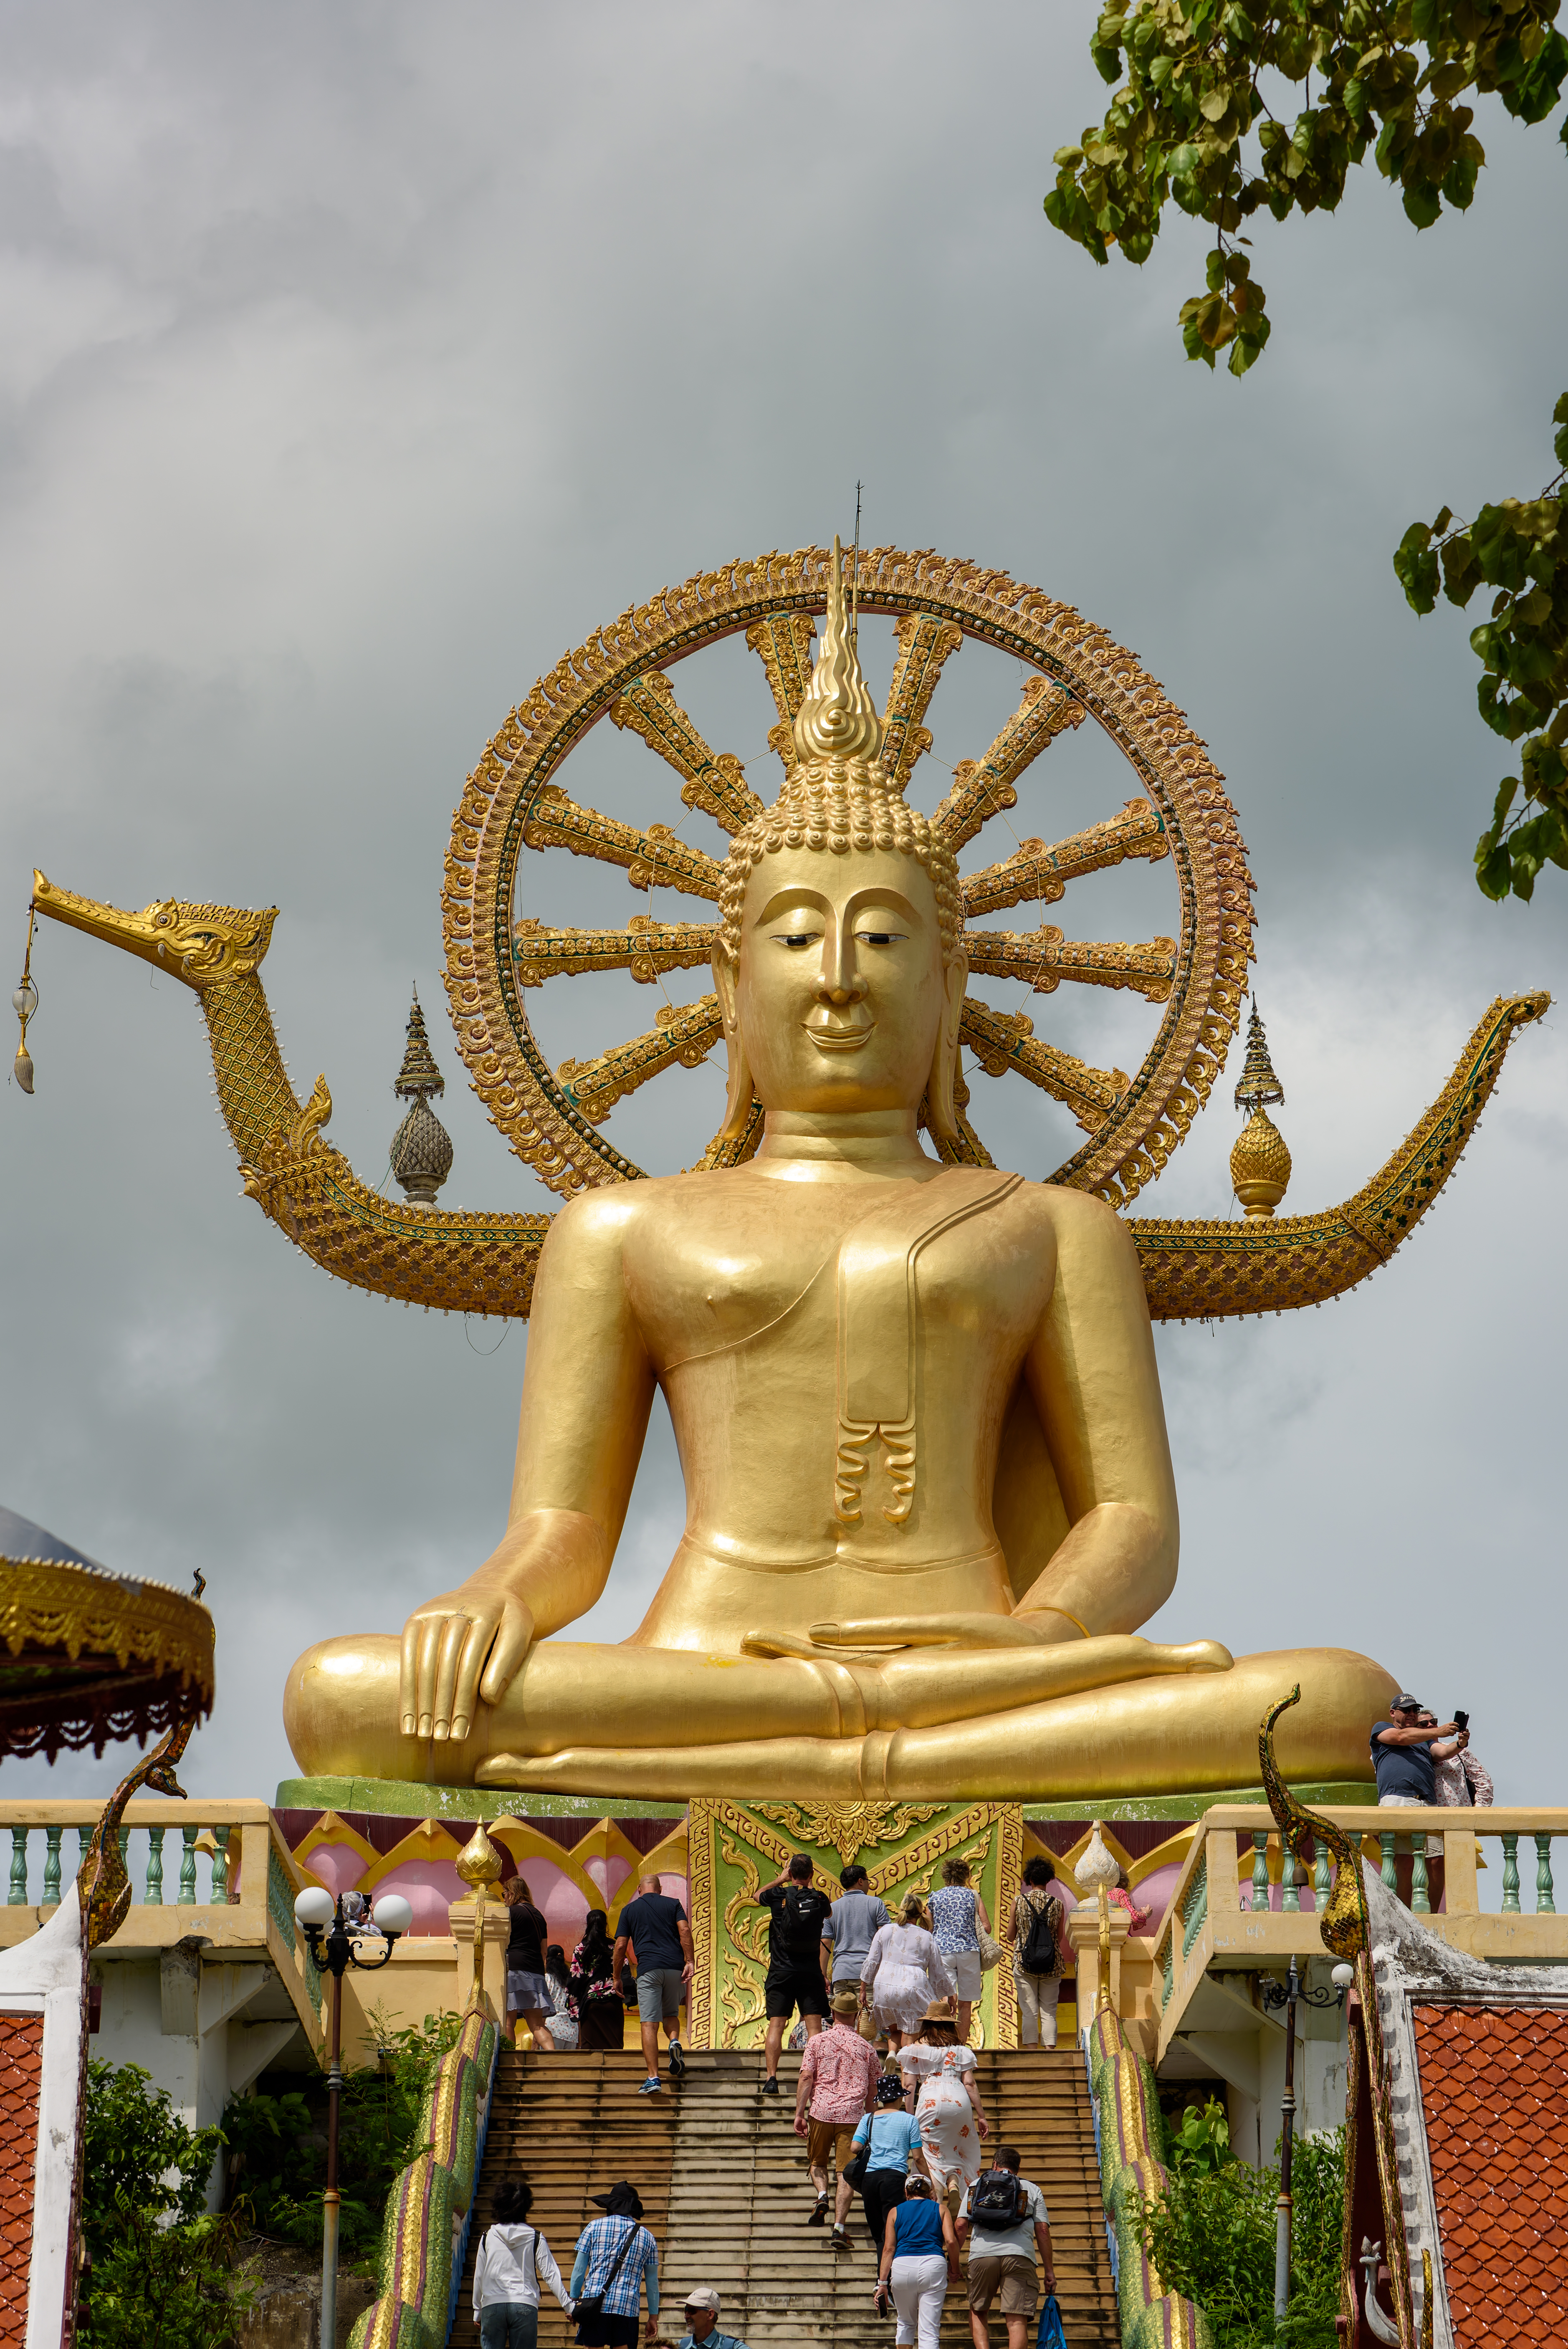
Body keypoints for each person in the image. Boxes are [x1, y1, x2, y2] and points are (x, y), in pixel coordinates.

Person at [792, 1985, 883, 2248]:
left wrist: (800, 2113)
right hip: (852, 2117)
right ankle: (839, 2228)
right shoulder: (867, 2048)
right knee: (845, 2173)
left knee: (817, 2162)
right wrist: (871, 2120)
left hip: (821, 2112)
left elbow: (807, 2077)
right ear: (856, 2015)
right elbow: (873, 2089)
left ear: (832, 2011)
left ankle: (822, 2195)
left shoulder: (816, 2041)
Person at [956, 2144, 1055, 2349]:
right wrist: (1050, 2272)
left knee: (978, 2311)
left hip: (982, 2255)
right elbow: (1043, 2231)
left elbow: (960, 2225)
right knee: (1017, 2319)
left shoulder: (975, 2185)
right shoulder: (1031, 2189)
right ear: (1018, 2169)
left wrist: (953, 2263)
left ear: (994, 2165)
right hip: (1020, 2256)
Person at [754, 1853, 833, 2093]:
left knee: (777, 2025)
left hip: (781, 1971)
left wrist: (780, 1880)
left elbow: (757, 1896)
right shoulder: (820, 1899)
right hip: (810, 1972)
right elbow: (828, 1915)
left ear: (790, 1873)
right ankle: (814, 2076)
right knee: (814, 2028)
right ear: (811, 1875)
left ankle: (771, 2079)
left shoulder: (779, 1896)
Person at [613, 1873, 694, 2094]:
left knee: (649, 2023)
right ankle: (675, 2041)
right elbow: (685, 1931)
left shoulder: (629, 1910)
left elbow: (621, 1946)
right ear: (659, 1888)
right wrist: (690, 1961)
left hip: (649, 1969)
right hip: (675, 1969)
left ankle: (653, 2078)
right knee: (671, 2015)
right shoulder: (673, 1904)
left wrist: (617, 1977)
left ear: (640, 1889)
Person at [472, 2177, 576, 2346]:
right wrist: (569, 2307)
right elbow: (551, 2275)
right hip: (525, 2304)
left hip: (492, 2305)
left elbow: (479, 2276)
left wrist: (477, 2310)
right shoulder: (535, 2238)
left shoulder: (487, 2237)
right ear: (526, 2207)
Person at [900, 2007, 989, 2198]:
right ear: (950, 2025)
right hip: (960, 2102)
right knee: (960, 2150)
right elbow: (970, 2083)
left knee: (931, 2154)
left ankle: (937, 2199)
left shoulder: (915, 2050)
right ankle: (955, 2183)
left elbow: (908, 2086)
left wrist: (909, 2116)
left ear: (925, 2024)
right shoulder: (961, 2051)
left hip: (931, 2101)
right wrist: (981, 2117)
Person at [568, 2181, 660, 2349]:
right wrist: (653, 2317)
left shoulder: (593, 2227)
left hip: (594, 2307)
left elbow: (580, 2270)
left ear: (611, 2206)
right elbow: (653, 2282)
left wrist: (573, 2303)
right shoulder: (648, 2237)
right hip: (627, 2309)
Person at [875, 2169, 960, 2349]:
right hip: (933, 2265)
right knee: (929, 2330)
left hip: (902, 2267)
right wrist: (955, 2268)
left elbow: (889, 2248)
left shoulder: (895, 2212)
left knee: (905, 2323)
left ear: (906, 2193)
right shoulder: (941, 2209)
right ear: (931, 2193)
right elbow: (951, 2241)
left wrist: (882, 2283)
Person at [862, 1893, 955, 2056]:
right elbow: (938, 1971)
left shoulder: (886, 1930)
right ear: (920, 1914)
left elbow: (872, 1961)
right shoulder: (927, 1936)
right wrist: (950, 1996)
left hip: (884, 1986)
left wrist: (863, 1989)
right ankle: (906, 2061)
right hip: (913, 1986)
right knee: (911, 2029)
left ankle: (892, 2054)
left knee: (895, 2028)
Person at [849, 2069, 928, 2255]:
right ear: (900, 2098)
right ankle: (890, 2278)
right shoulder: (909, 2120)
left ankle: (881, 2279)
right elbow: (918, 2157)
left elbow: (854, 2147)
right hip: (895, 2178)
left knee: (878, 2234)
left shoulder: (867, 2119)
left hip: (870, 2179)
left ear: (882, 2099)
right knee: (893, 2231)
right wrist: (928, 2182)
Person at [927, 1857, 994, 2045]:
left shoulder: (934, 1897)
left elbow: (929, 1929)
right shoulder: (973, 1896)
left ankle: (944, 2042)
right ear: (967, 1876)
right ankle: (961, 2045)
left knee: (945, 1998)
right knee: (966, 2003)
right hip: (969, 1951)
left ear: (945, 1877)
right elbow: (987, 1927)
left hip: (942, 1952)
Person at [822, 1864, 890, 2035]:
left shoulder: (832, 1909)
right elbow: (886, 1938)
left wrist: (823, 1976)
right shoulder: (876, 1904)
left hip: (841, 1973)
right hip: (869, 1975)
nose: (868, 1884)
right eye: (867, 1880)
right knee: (869, 2026)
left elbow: (825, 1944)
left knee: (842, 2023)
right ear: (861, 1881)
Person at [1007, 1856, 1067, 2050]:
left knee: (1029, 2012)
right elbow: (1059, 1938)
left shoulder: (1018, 1901)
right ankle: (1050, 2052)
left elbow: (1010, 1936)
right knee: (1049, 2012)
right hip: (1052, 1963)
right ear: (1048, 1879)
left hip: (1025, 1962)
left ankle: (1032, 2053)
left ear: (1029, 1879)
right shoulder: (1058, 1904)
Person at [1371, 1696, 1468, 1807]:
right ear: (1393, 1713)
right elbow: (1400, 1737)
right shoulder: (1382, 1727)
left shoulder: (1425, 1741)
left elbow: (1443, 1752)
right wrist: (1438, 1731)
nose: (1412, 1714)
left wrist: (1460, 1743)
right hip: (1399, 1798)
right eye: (1406, 1710)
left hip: (1428, 1802)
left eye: (1415, 1711)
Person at [504, 1877, 554, 2055]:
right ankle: (554, 2059)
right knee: (538, 2025)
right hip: (536, 1972)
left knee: (508, 2022)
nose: (504, 1898)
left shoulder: (510, 1912)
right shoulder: (539, 1915)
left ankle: (510, 2061)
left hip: (514, 1969)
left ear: (511, 1893)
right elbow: (544, 1951)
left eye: (505, 1894)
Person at [570, 1908, 625, 2051]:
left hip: (591, 2006)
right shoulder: (614, 1948)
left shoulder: (581, 1949)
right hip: (614, 2003)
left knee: (590, 2053)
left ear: (588, 1924)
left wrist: (575, 2004)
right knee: (616, 2050)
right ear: (606, 1925)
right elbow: (625, 1972)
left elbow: (575, 1979)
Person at [675, 2285, 750, 2348]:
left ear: (710, 2315)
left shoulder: (732, 2346)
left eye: (692, 2311)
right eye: (686, 2310)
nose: (686, 2316)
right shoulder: (679, 2346)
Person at [544, 1943, 579, 2050]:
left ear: (547, 1960)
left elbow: (543, 2008)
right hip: (572, 2032)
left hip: (552, 2029)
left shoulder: (547, 1979)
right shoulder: (572, 1981)